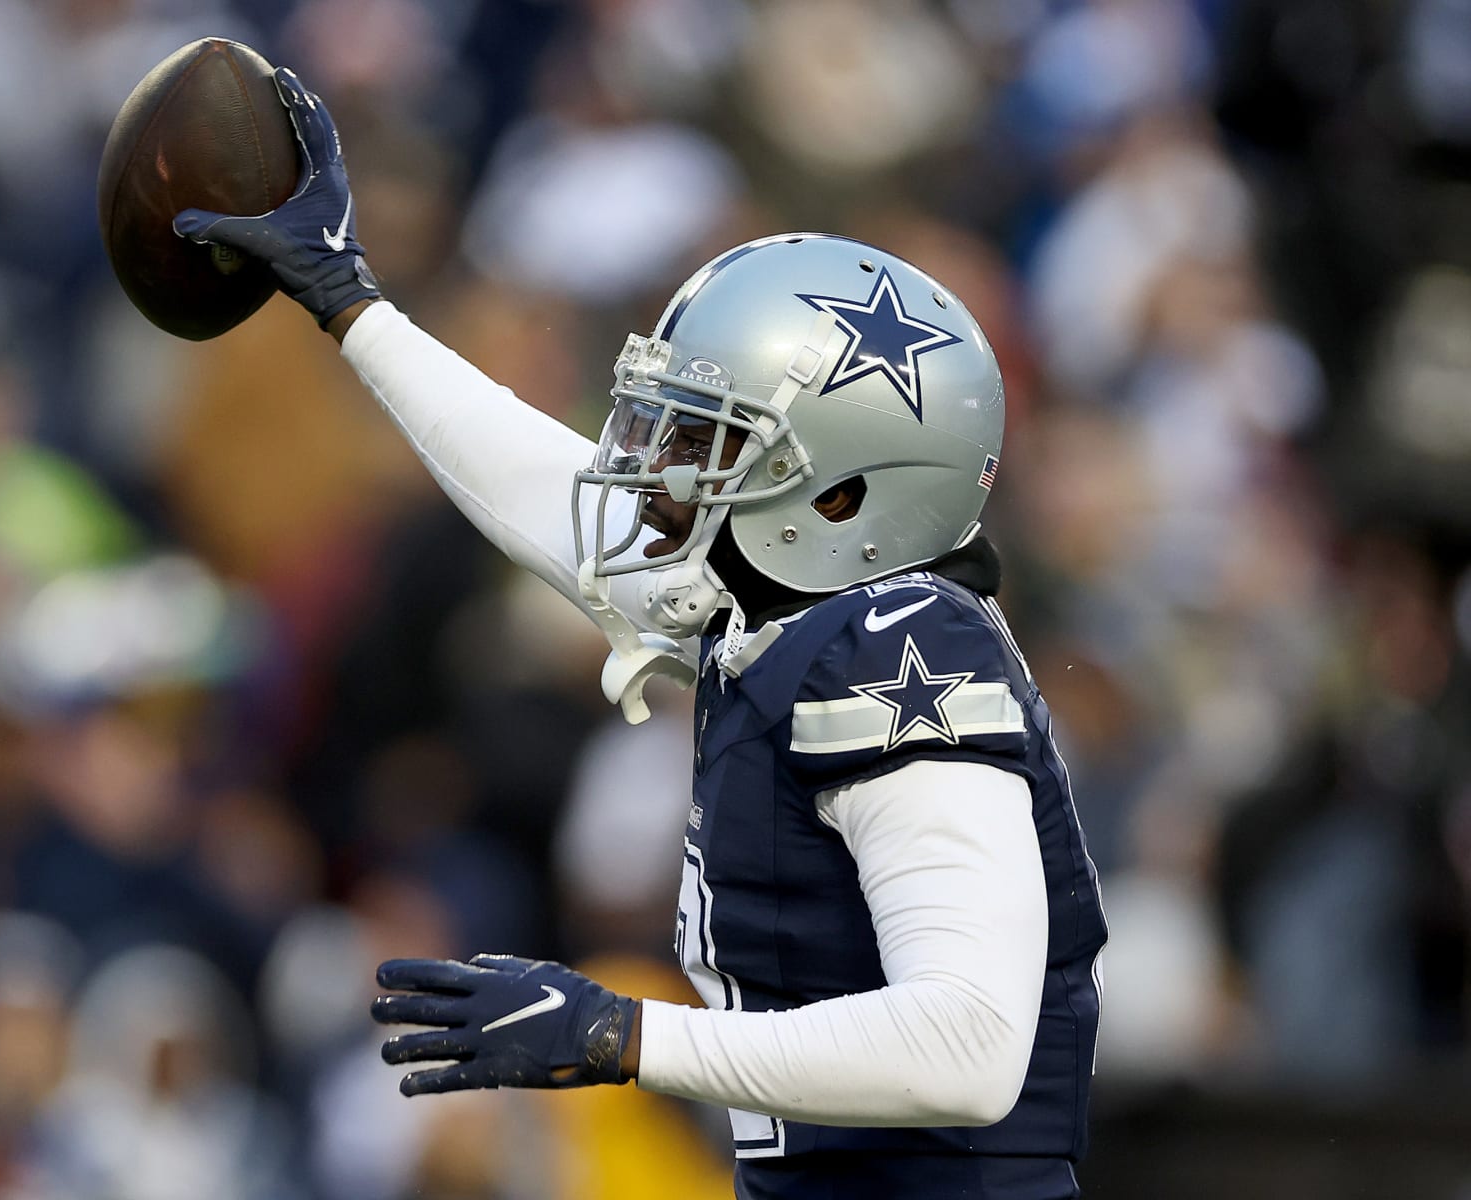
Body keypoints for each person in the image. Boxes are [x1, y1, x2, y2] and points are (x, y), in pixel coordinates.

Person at [176, 69, 1108, 1200]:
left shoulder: (898, 650)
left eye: (712, 442)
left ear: (842, 498)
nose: (660, 473)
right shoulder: (796, 616)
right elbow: (548, 493)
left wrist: (624, 1037)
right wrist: (348, 302)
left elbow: (970, 1049)